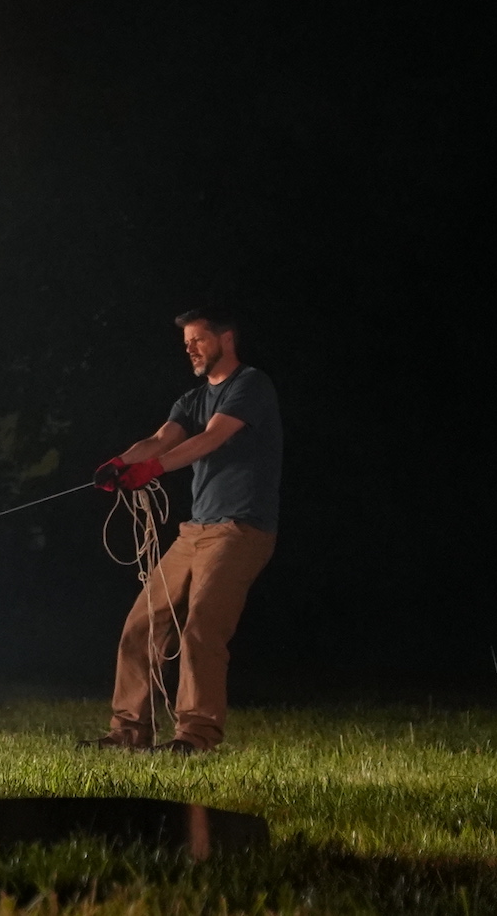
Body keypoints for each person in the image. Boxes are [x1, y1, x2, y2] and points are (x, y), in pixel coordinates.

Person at [86, 307, 283, 754]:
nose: (190, 348)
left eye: (198, 339)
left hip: (240, 530)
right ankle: (128, 733)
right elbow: (160, 439)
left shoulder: (251, 385)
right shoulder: (190, 400)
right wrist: (122, 464)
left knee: (201, 628)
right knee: (142, 624)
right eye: (186, 342)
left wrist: (151, 469)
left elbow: (211, 439)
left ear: (226, 339)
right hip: (193, 532)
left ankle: (195, 736)